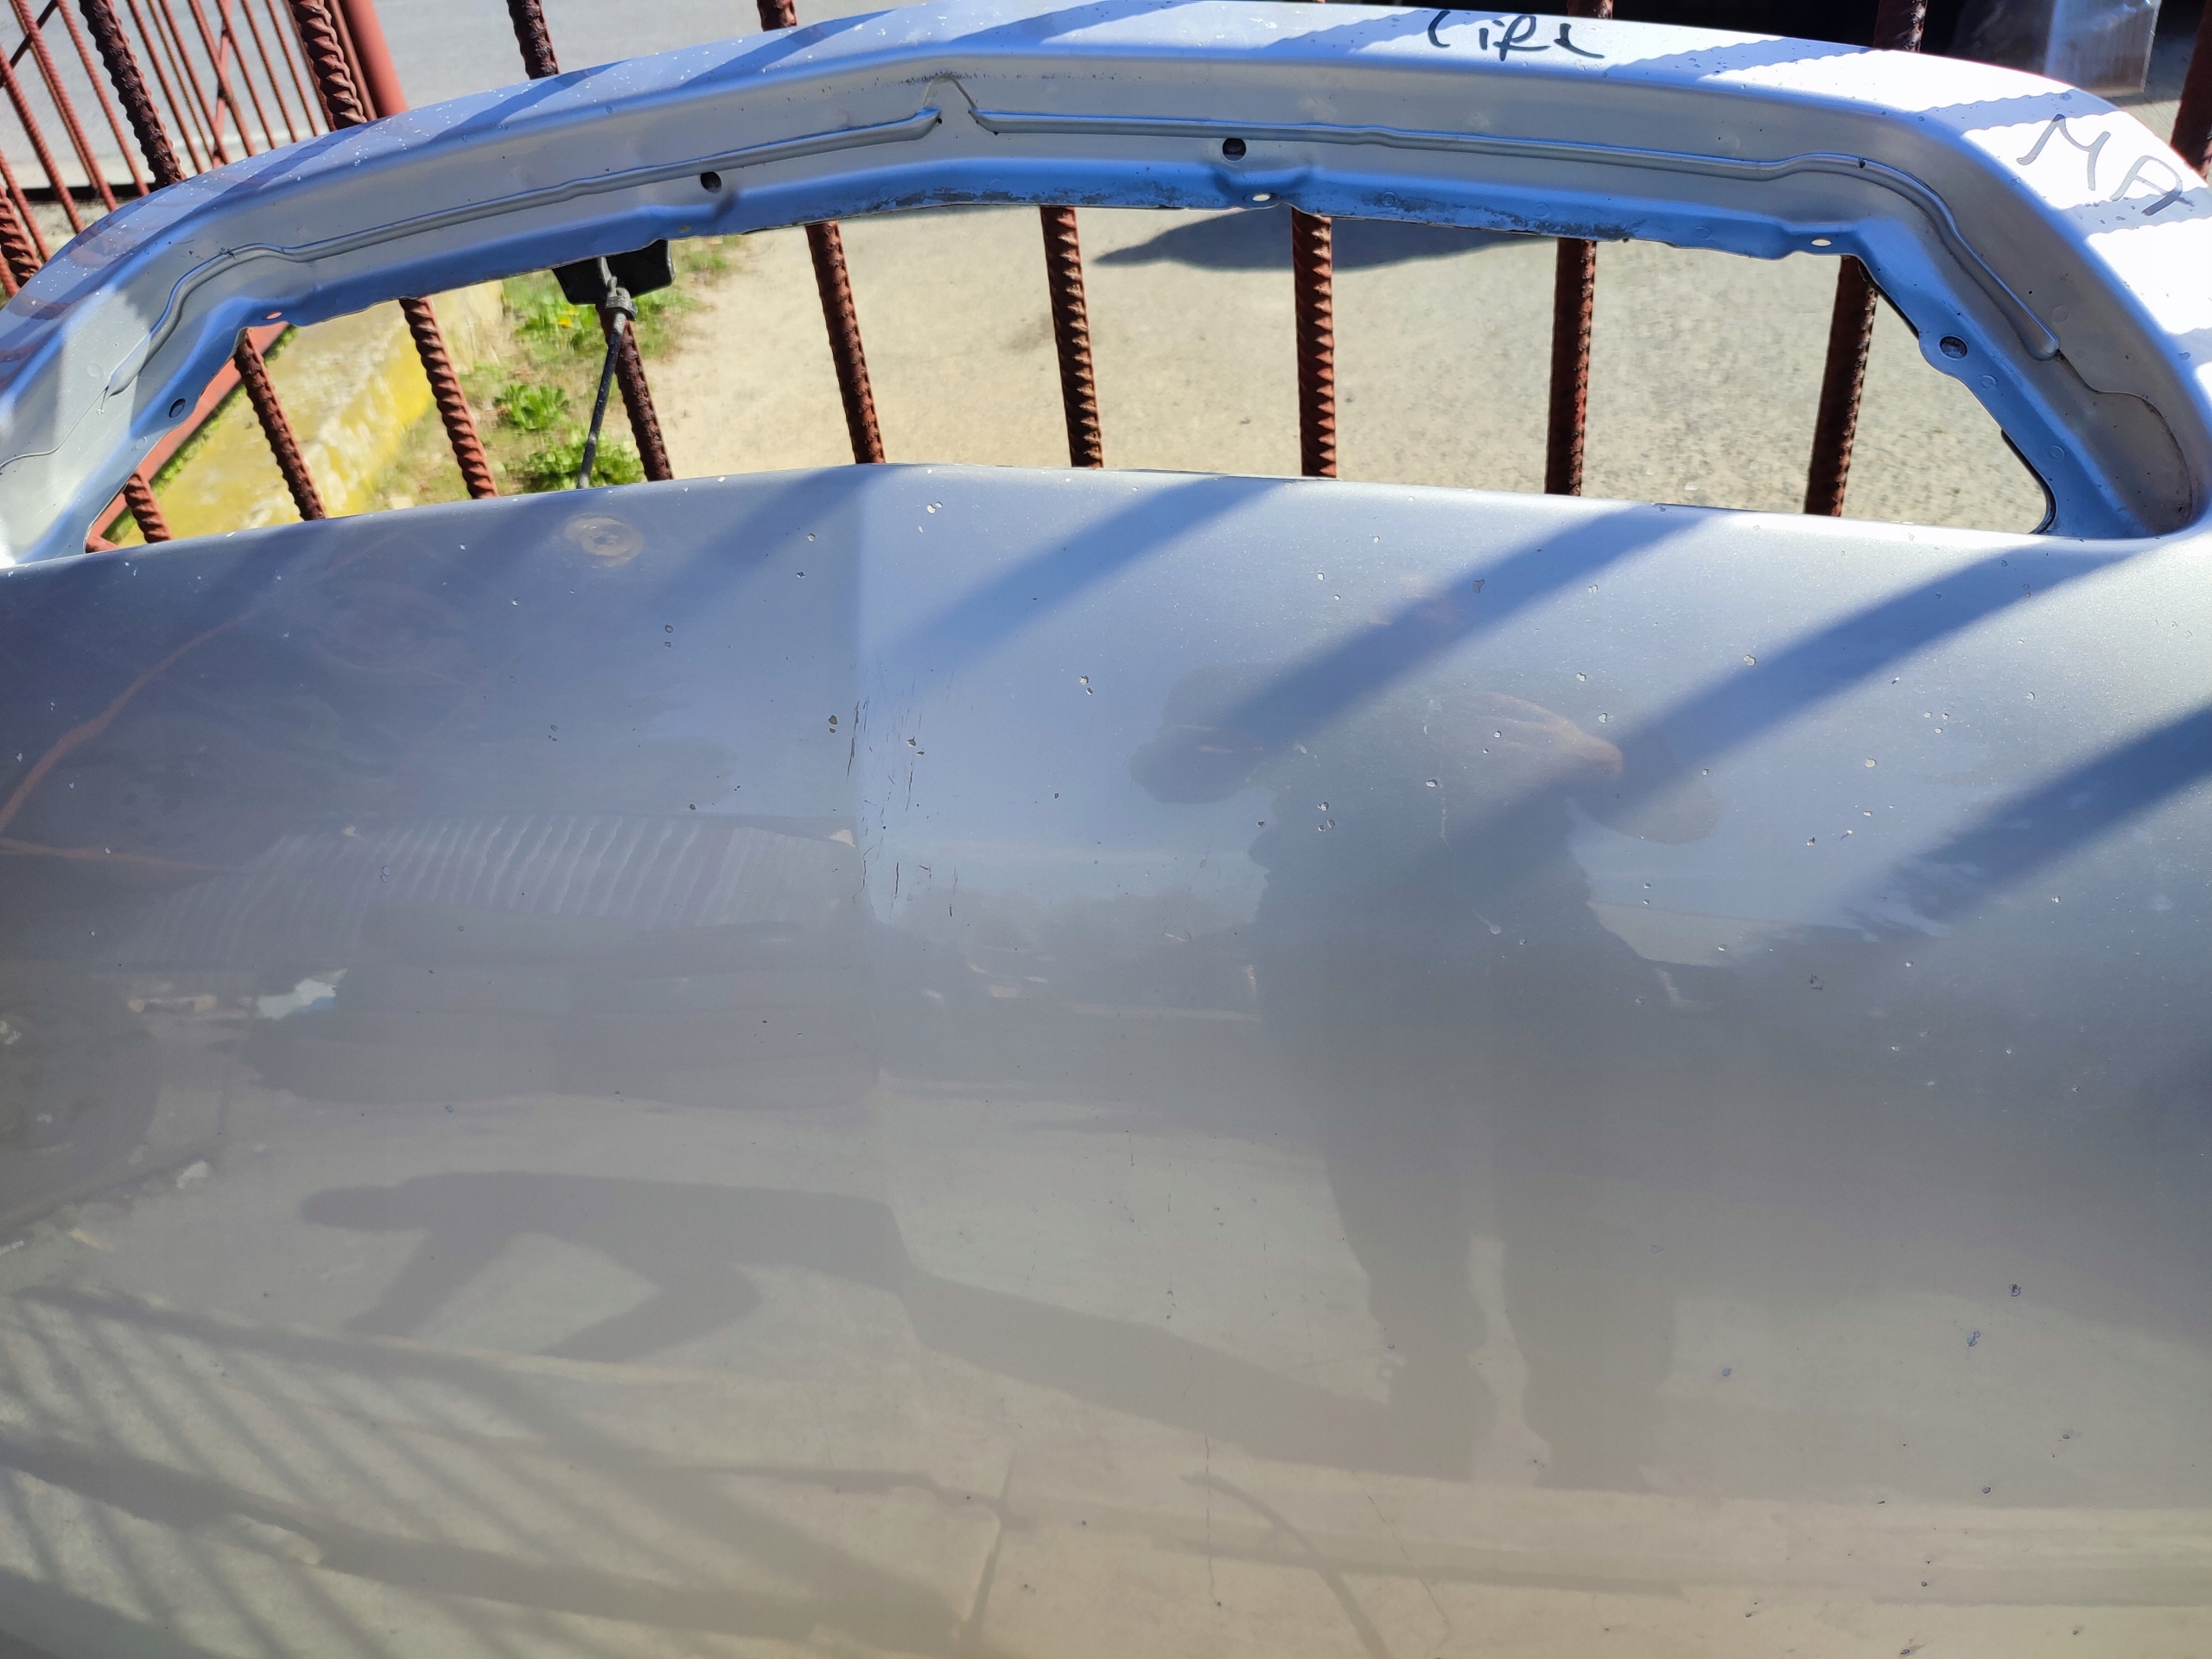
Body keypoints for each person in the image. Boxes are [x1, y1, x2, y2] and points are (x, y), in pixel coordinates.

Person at [1131, 663, 1717, 1485]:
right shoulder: (1281, 655)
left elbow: (1690, 813)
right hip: (1340, 946)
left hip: (1536, 940)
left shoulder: (1553, 659)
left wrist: (1601, 758)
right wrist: (1214, 748)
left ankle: (1600, 1440)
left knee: (1585, 1194)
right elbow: (1168, 771)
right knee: (1389, 1182)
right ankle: (1438, 1386)